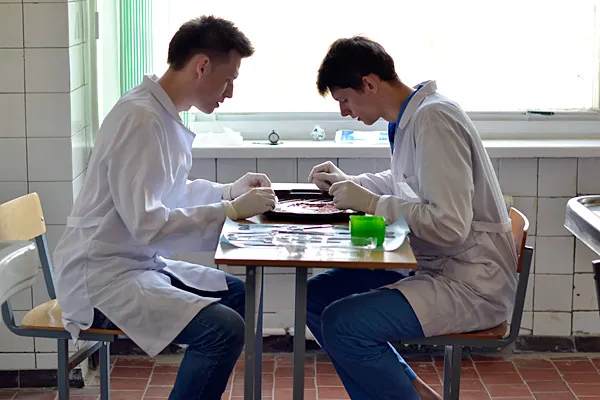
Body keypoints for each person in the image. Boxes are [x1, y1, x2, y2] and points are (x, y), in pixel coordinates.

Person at [52, 16, 277, 400]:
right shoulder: (141, 119)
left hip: (134, 264)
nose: (230, 93)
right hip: (101, 281)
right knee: (223, 330)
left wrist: (228, 191)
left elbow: (168, 192)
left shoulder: (159, 114)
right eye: (228, 79)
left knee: (239, 294)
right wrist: (230, 210)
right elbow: (148, 225)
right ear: (201, 66)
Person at [306, 36, 518, 400]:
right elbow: (407, 184)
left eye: (344, 100)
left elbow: (449, 226)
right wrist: (350, 183)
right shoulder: (411, 118)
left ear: (369, 83)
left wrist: (372, 203)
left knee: (344, 325)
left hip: (470, 282)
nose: (343, 112)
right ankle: (413, 389)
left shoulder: (434, 120)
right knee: (315, 297)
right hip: (437, 265)